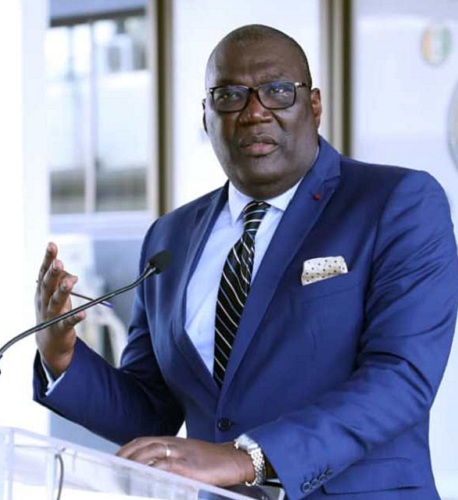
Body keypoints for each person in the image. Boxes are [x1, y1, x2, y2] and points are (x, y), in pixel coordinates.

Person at [33, 24, 458, 499]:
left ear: (314, 105)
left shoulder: (397, 202)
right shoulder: (170, 238)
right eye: (230, 96)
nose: (254, 112)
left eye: (277, 91)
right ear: (207, 116)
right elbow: (150, 412)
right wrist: (62, 358)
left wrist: (245, 458)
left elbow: (400, 379)